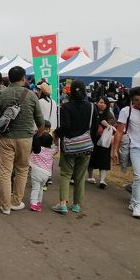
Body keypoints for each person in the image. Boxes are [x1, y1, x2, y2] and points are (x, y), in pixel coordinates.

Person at [0, 66, 44, 214]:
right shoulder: (32, 95)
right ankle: (16, 201)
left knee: (5, 172)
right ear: (23, 78)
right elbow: (40, 120)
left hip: (7, 138)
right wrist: (38, 134)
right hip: (25, 138)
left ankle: (5, 205)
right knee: (22, 170)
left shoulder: (1, 94)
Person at [51, 81, 98, 215]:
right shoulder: (91, 107)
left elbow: (65, 127)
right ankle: (76, 205)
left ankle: (63, 204)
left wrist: (56, 133)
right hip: (86, 146)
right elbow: (94, 128)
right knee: (80, 176)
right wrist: (90, 142)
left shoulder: (65, 107)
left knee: (66, 174)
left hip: (70, 146)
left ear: (70, 91)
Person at [112, 86, 140, 219]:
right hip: (135, 147)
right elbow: (119, 131)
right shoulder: (126, 111)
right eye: (136, 100)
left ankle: (135, 201)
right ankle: (137, 204)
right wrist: (114, 150)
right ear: (131, 100)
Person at [86, 97, 116, 189]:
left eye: (104, 103)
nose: (102, 104)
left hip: (105, 141)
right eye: (100, 102)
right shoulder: (92, 112)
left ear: (107, 104)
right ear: (97, 102)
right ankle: (90, 177)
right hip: (93, 139)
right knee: (91, 158)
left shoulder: (110, 115)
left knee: (104, 159)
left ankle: (102, 180)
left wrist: (107, 125)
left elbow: (114, 127)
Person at [28, 120, 58, 212]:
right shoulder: (51, 152)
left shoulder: (37, 151)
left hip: (36, 173)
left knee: (35, 188)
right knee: (41, 188)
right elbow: (58, 148)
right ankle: (39, 202)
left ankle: (33, 203)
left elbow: (29, 157)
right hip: (46, 174)